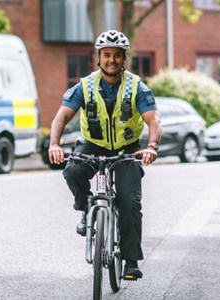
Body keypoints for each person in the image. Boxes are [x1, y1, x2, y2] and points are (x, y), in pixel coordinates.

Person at [48, 30, 162, 280]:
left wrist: (151, 147)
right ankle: (84, 206)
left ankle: (130, 261)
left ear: (124, 59)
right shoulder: (85, 86)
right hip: (93, 144)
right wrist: (54, 144)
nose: (112, 59)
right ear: (98, 57)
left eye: (117, 55)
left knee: (129, 201)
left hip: (127, 148)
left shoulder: (136, 87)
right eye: (107, 55)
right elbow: (62, 116)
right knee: (73, 171)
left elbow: (153, 120)